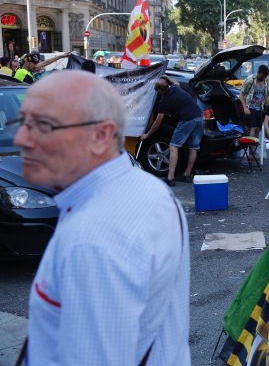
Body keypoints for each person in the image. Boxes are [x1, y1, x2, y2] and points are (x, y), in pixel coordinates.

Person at [13, 70, 190, 365]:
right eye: (22, 123)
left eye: (42, 126)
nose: (21, 138)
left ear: (100, 136)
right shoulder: (146, 189)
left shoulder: (91, 240)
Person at [140, 74, 204, 186]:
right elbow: (175, 82)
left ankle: (170, 178)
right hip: (200, 117)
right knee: (193, 147)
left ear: (160, 91)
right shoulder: (175, 88)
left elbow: (157, 124)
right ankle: (187, 175)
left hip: (188, 120)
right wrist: (166, 76)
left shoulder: (165, 100)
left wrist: (147, 135)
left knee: (173, 146)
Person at [239, 64, 269, 140]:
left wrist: (268, 107)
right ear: (258, 73)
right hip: (250, 108)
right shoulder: (250, 80)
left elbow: (267, 94)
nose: (263, 78)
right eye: (262, 76)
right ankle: (251, 151)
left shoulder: (266, 80)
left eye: (265, 77)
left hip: (260, 108)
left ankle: (254, 149)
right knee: (252, 128)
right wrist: (245, 108)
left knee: (257, 129)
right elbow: (241, 95)